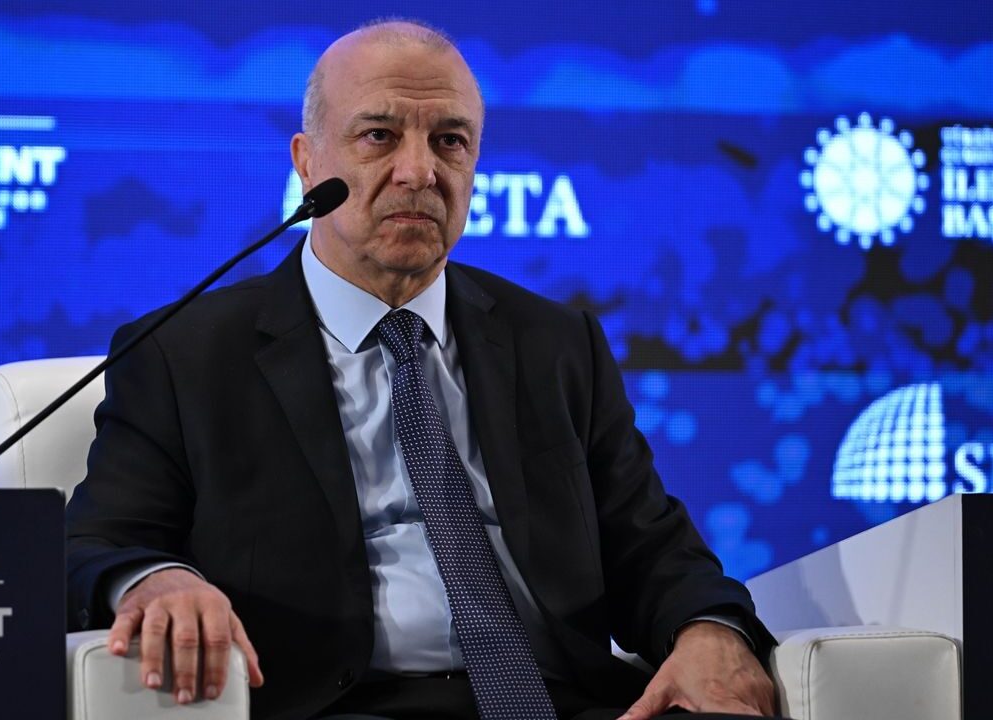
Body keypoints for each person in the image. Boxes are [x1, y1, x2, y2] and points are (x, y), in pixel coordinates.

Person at [66, 19, 780, 720]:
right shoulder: (184, 354)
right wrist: (156, 579)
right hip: (335, 704)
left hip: (562, 701)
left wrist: (708, 630)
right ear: (308, 162)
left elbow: (651, 547)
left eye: (450, 141)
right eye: (379, 136)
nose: (419, 172)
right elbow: (96, 542)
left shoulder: (557, 343)